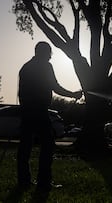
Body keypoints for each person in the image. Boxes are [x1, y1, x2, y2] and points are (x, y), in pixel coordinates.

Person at [17, 41, 82, 191]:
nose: (50, 56)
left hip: (27, 111)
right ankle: (44, 181)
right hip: (39, 111)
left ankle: (23, 181)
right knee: (48, 144)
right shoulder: (45, 66)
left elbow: (21, 92)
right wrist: (72, 94)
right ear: (44, 52)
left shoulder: (25, 67)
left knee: (25, 146)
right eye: (49, 53)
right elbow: (55, 86)